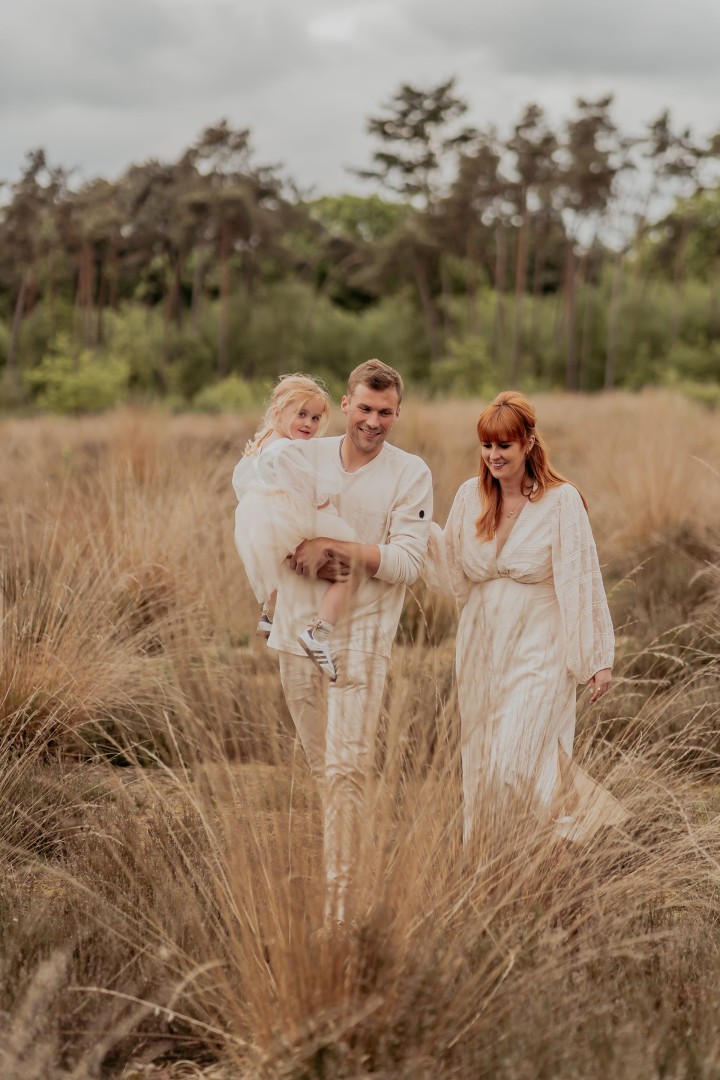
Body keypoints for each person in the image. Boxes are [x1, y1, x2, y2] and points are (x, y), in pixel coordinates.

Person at [264, 359, 433, 925]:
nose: (373, 421)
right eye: (364, 408)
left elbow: (408, 562)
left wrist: (342, 551)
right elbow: (266, 517)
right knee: (324, 772)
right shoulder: (303, 452)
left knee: (346, 772)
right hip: (296, 634)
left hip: (361, 641)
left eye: (385, 412)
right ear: (345, 405)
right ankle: (345, 879)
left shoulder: (410, 474)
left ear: (398, 413)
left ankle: (342, 907)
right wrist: (297, 550)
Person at [424, 390, 626, 843]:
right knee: (484, 760)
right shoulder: (470, 496)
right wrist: (410, 529)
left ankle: (570, 831)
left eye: (504, 445)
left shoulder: (561, 500)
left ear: (528, 442)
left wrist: (596, 657)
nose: (494, 455)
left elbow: (581, 577)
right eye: (487, 445)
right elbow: (452, 568)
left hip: (541, 643)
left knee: (515, 757)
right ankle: (504, 858)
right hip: (481, 646)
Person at [232, 373, 360, 680]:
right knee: (351, 564)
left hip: (260, 518)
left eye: (315, 418)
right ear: (279, 410)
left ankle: (269, 612)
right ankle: (319, 632)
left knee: (278, 567)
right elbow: (311, 490)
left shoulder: (264, 440)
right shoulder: (288, 450)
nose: (309, 424)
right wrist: (324, 503)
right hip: (288, 517)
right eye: (301, 414)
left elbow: (242, 481)